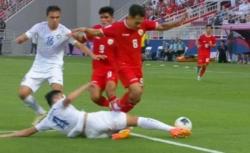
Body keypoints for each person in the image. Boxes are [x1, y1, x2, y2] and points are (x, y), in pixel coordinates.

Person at [72, 4, 187, 112]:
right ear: (129, 18)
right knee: (135, 90)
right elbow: (97, 32)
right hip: (123, 65)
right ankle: (116, 110)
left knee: (136, 97)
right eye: (137, 23)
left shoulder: (143, 24)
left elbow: (161, 26)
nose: (139, 26)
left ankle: (117, 113)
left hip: (137, 65)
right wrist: (85, 29)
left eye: (140, 23)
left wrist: (177, 23)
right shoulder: (117, 27)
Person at [0, 83, 191, 139]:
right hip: (92, 120)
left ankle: (116, 134)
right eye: (60, 95)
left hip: (87, 134)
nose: (63, 95)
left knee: (116, 130)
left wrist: (6, 136)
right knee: (135, 119)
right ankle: (171, 129)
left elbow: (27, 132)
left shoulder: (47, 120)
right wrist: (87, 85)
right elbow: (72, 98)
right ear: (56, 100)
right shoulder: (59, 104)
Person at [15, 5, 105, 125]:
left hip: (54, 67)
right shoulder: (39, 27)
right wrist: (20, 39)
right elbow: (25, 36)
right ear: (47, 17)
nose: (55, 20)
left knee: (58, 95)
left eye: (57, 17)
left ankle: (69, 120)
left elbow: (79, 44)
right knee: (23, 93)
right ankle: (40, 113)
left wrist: (92, 55)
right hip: (38, 66)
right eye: (52, 17)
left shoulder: (64, 31)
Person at [71, 6, 117, 108]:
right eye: (102, 17)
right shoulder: (95, 29)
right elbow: (82, 40)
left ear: (112, 18)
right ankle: (114, 107)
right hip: (98, 69)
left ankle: (119, 115)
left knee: (110, 91)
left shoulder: (117, 30)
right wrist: (70, 34)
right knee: (95, 97)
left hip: (112, 68)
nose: (103, 20)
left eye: (106, 17)